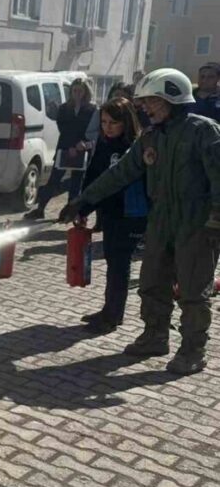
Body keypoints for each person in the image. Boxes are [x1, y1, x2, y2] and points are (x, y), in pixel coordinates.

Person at [59, 68, 220, 375]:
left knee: (192, 290)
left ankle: (193, 350)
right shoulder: (150, 137)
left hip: (196, 223)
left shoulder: (204, 132)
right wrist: (84, 200)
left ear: (173, 97)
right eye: (143, 102)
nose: (145, 108)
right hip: (160, 220)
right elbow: (120, 173)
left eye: (151, 102)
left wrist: (216, 221)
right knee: (152, 283)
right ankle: (155, 336)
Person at [76, 98, 149, 334]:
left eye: (114, 122)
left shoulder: (135, 147)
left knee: (119, 264)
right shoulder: (104, 143)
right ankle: (108, 309)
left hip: (130, 214)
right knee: (111, 261)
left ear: (126, 122)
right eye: (104, 122)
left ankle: (114, 315)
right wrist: (82, 208)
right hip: (109, 214)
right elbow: (93, 178)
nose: (107, 127)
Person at [25, 78, 96, 220]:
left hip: (82, 149)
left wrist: (83, 144)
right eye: (74, 90)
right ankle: (40, 209)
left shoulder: (91, 109)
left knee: (76, 183)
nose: (77, 94)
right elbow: (63, 128)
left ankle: (71, 211)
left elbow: (93, 130)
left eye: (80, 91)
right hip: (64, 148)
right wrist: (70, 146)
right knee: (54, 180)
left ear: (85, 92)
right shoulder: (64, 108)